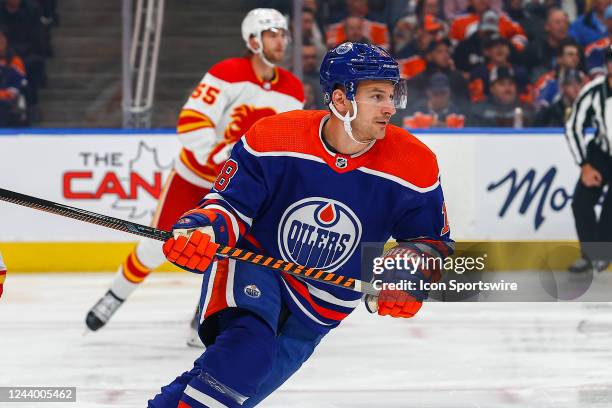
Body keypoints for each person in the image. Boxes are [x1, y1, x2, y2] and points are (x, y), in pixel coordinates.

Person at [148, 42, 452, 408]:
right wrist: (202, 230)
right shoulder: (272, 137)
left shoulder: (414, 163)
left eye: (392, 95)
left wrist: (407, 274)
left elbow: (430, 241)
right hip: (255, 266)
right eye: (377, 96)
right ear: (341, 100)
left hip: (323, 304)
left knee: (230, 393)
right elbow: (228, 205)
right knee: (247, 352)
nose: (390, 107)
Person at [84, 8, 305, 346]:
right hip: (194, 178)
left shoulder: (292, 89)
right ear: (252, 40)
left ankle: (205, 314)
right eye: (272, 33)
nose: (280, 40)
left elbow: (288, 143)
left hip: (240, 189)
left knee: (230, 253)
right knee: (158, 245)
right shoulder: (227, 73)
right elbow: (191, 121)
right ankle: (116, 294)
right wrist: (221, 155)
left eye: (282, 34)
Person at [565, 44, 612, 273]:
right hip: (601, 153)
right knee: (581, 203)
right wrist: (584, 164)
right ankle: (592, 254)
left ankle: (602, 253)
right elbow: (573, 126)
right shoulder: (593, 91)